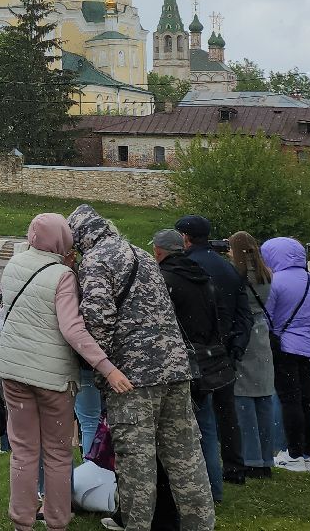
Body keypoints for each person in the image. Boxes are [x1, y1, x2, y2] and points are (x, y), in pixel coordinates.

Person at [67, 205, 214, 531]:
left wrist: (100, 366)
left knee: (137, 460)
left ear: (78, 238)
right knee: (186, 457)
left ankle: (136, 525)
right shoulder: (142, 255)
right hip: (175, 369)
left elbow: (98, 320)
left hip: (133, 377)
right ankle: (199, 524)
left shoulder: (96, 261)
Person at [0, 213, 133, 531]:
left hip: (14, 371)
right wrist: (107, 367)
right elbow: (73, 329)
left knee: (23, 450)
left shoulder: (14, 264)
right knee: (57, 453)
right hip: (52, 375)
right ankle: (57, 520)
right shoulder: (62, 276)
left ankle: (22, 521)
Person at [152, 229, 232, 505]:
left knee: (178, 431)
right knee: (206, 427)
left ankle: (184, 495)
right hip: (207, 356)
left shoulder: (165, 279)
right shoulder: (201, 276)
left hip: (181, 359)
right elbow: (218, 316)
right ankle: (213, 489)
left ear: (159, 252)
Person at [174, 216, 250, 484]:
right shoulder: (228, 267)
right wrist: (235, 347)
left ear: (185, 237)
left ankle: (205, 471)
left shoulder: (189, 267)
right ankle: (233, 468)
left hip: (199, 347)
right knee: (227, 413)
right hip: (224, 348)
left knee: (199, 415)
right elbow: (244, 314)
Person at [260, 236, 310, 473]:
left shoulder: (275, 282)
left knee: (290, 400)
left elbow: (267, 316)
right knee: (309, 400)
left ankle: (294, 453)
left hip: (285, 347)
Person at [226, 231, 279, 478]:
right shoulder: (265, 273)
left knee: (244, 399)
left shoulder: (237, 275)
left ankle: (251, 456)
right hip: (262, 332)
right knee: (263, 397)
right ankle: (266, 455)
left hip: (244, 330)